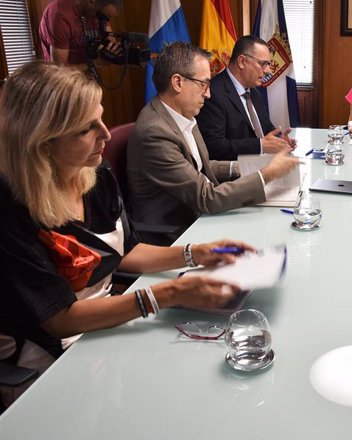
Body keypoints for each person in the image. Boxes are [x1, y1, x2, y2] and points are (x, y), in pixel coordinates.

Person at [0, 61, 252, 406]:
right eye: (86, 129)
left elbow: (127, 251)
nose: (106, 134)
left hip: (108, 324)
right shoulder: (11, 211)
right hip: (52, 358)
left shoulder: (96, 176)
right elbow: (59, 320)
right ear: (41, 142)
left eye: (101, 118)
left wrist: (197, 253)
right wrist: (168, 294)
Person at [127, 42, 299, 245]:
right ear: (178, 83)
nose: (208, 94)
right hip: (176, 233)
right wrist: (266, 174)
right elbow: (206, 198)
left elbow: (203, 167)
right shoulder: (155, 132)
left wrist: (248, 167)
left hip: (200, 216)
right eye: (204, 84)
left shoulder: (184, 115)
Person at [196, 35, 295, 161]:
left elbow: (266, 128)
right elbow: (214, 147)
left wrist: (280, 141)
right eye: (263, 64)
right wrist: (260, 146)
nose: (269, 71)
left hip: (260, 165)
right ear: (242, 61)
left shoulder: (253, 92)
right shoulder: (213, 93)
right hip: (233, 175)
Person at [38, 0, 123, 70]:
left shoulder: (98, 12)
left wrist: (121, 54)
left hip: (86, 74)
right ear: (91, 2)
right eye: (103, 17)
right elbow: (60, 69)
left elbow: (111, 42)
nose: (104, 22)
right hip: (63, 80)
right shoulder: (59, 16)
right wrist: (95, 64)